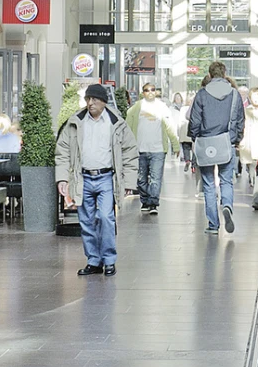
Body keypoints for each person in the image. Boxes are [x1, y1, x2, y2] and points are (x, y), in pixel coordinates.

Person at [55, 83, 140, 276]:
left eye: (94, 99)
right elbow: (62, 151)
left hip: (106, 178)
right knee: (86, 220)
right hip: (83, 177)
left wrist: (128, 183)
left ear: (103, 101)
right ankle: (94, 261)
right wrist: (62, 179)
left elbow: (130, 152)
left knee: (106, 218)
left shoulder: (116, 123)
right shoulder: (76, 122)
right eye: (87, 99)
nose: (90, 103)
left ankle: (109, 260)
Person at [186, 62, 246, 235]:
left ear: (210, 75)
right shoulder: (235, 94)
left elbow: (195, 120)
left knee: (209, 184)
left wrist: (194, 137)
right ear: (224, 74)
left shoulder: (202, 94)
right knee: (226, 180)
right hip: (226, 141)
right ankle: (227, 205)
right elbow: (240, 120)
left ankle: (213, 224)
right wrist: (237, 139)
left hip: (206, 143)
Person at [129, 84, 175, 214]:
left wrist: (175, 144)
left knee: (156, 178)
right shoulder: (136, 108)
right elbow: (128, 126)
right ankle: (145, 200)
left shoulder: (162, 107)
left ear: (156, 92)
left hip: (158, 149)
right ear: (142, 93)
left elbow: (169, 126)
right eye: (146, 90)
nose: (150, 92)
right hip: (140, 149)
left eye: (153, 90)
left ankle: (153, 203)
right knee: (141, 178)